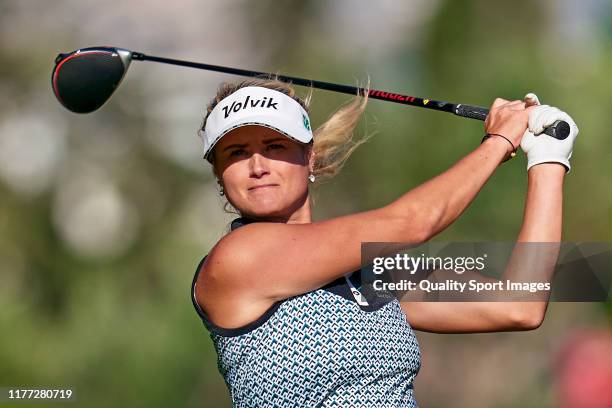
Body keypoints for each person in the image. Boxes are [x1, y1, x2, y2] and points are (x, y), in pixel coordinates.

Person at [191, 78, 579, 407]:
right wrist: (500, 140)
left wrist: (548, 161)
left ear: (309, 156)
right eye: (237, 153)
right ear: (220, 172)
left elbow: (519, 305)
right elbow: (413, 222)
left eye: (274, 146)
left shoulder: (366, 273)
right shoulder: (238, 260)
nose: (258, 166)